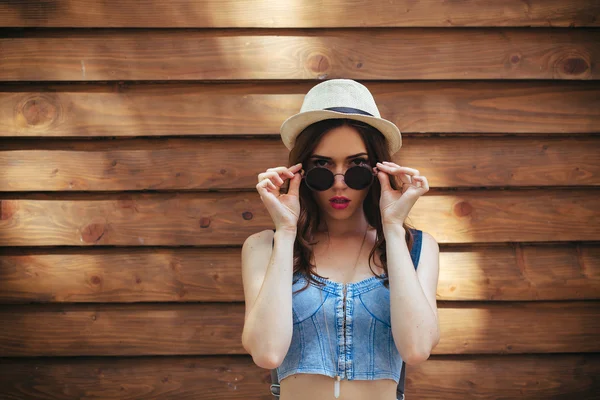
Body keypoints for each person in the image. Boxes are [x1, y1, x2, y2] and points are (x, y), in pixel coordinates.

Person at [241, 79, 440, 400]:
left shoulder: (417, 248)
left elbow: (416, 349)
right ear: (301, 172)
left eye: (356, 167)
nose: (339, 184)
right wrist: (287, 232)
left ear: (378, 170)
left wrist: (392, 225)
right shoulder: (264, 247)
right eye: (322, 166)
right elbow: (267, 354)